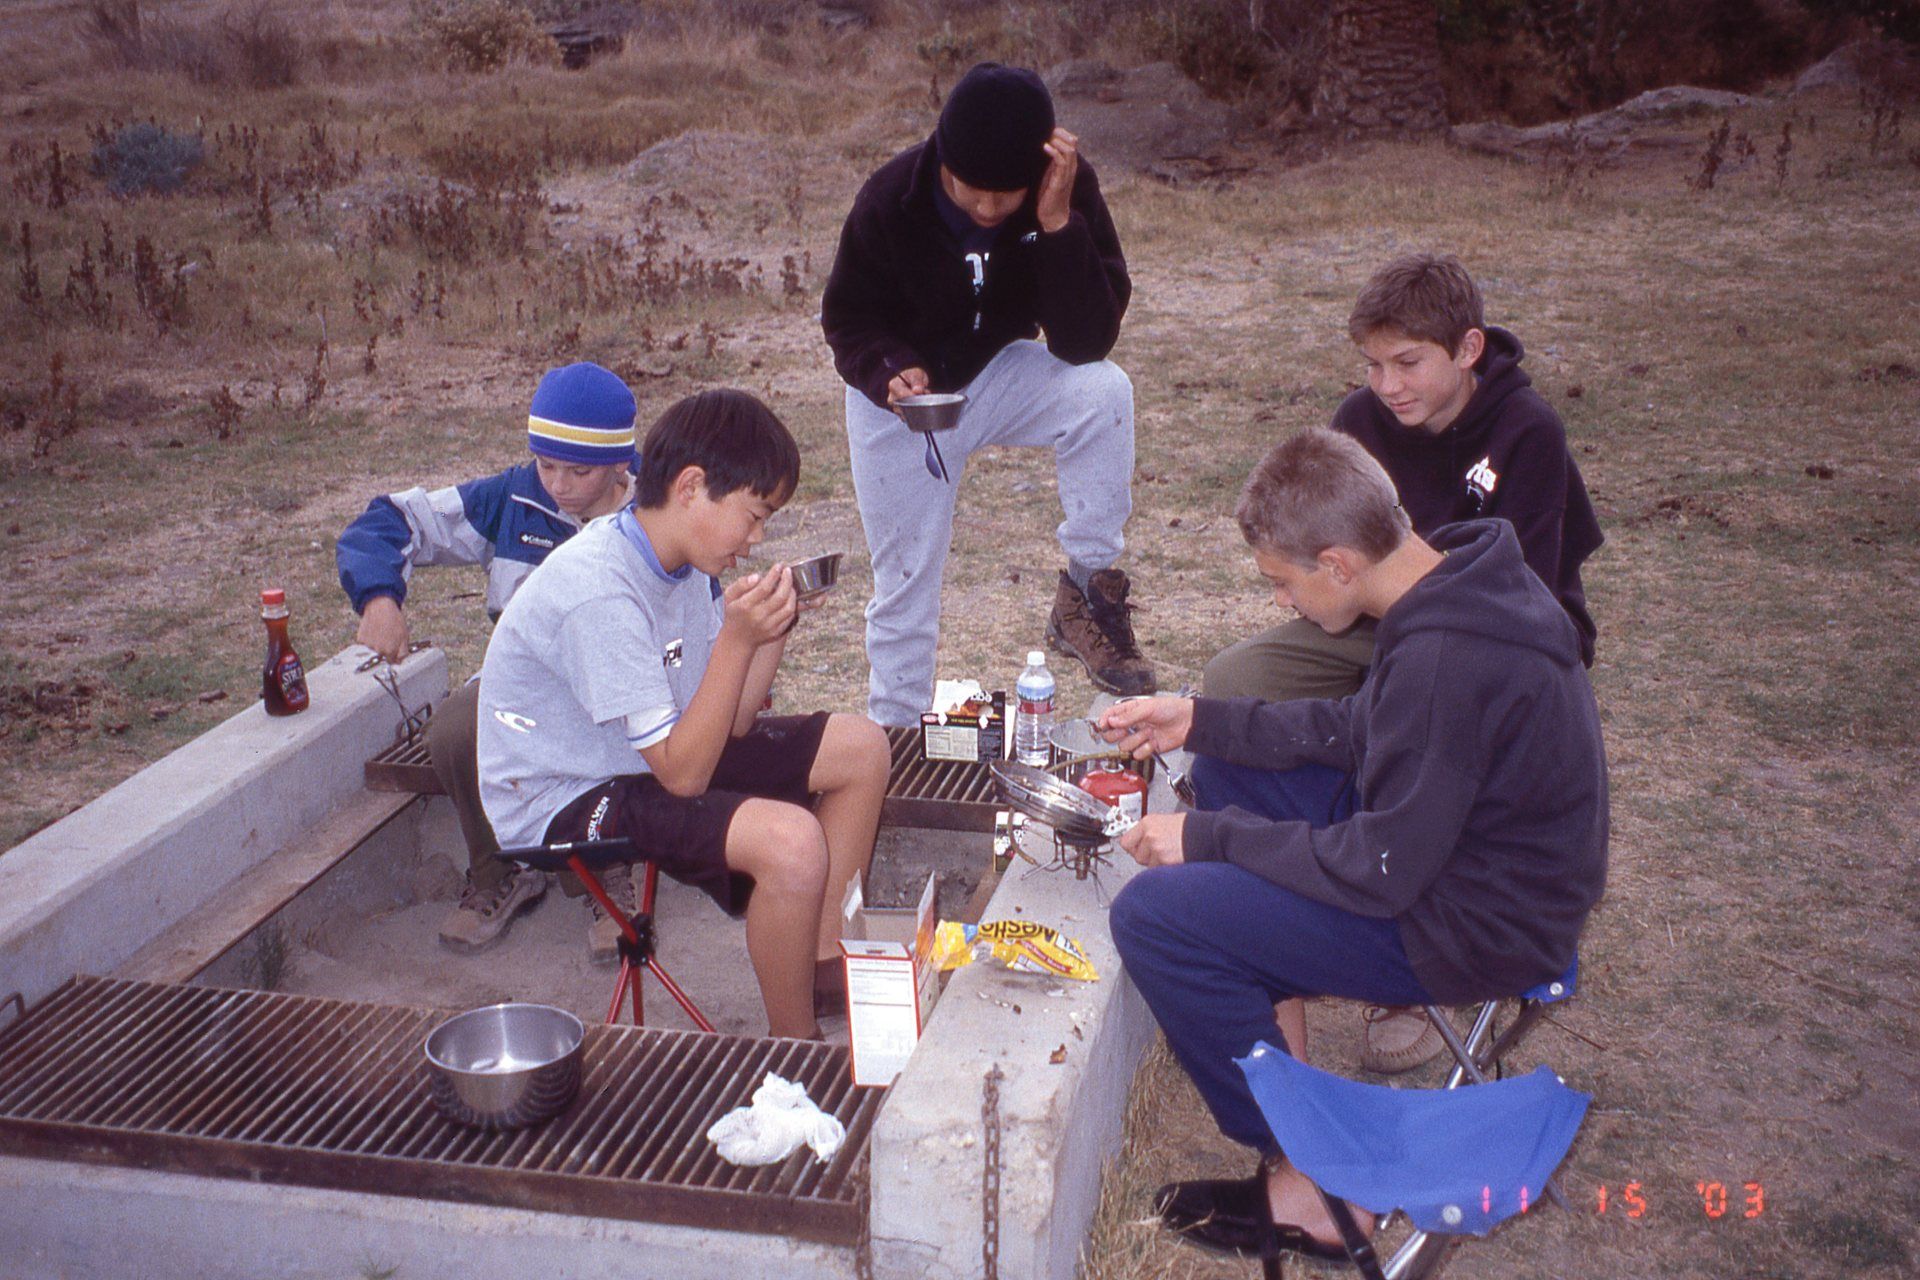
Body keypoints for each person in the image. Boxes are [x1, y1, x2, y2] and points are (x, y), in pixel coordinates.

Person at [1100, 427, 1607, 1265]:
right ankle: (1282, 1053)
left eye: (1282, 581)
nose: (1282, 603)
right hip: (1453, 864)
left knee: (1156, 917)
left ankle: (1315, 1184)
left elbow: (1380, 870)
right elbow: (1363, 728)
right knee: (1230, 766)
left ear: (1337, 564)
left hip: (1472, 925)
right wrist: (1201, 720)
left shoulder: (1446, 656)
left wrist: (1209, 838)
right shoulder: (1456, 577)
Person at [1204, 252, 1604, 1073]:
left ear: (1468, 349)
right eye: (1374, 364)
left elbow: (1528, 587)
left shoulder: (1527, 431)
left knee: (1410, 724)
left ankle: (1397, 965)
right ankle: (1309, 901)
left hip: (1477, 634)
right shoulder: (1362, 417)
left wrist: (1412, 665)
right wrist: (1201, 719)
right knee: (1232, 687)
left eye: (1408, 362)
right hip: (1377, 616)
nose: (1388, 385)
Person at [476, 389, 890, 1037]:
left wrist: (768, 632)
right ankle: (796, 1045)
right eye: (754, 515)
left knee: (861, 748)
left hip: (642, 754)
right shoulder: (599, 590)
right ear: (692, 487)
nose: (756, 540)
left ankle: (819, 967)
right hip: (561, 789)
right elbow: (685, 776)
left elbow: (731, 723)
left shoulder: (685, 566)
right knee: (791, 844)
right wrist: (735, 640)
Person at [821, 61, 1151, 726]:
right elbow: (848, 319)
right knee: (906, 584)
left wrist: (1057, 224)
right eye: (974, 192)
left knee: (1103, 391)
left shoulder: (1064, 189)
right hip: (904, 402)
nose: (990, 210)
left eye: (1008, 196)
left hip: (995, 371)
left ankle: (1086, 593)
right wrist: (889, 368)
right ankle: (894, 738)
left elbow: (1087, 341)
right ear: (944, 158)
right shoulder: (890, 198)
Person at [336, 361, 637, 953]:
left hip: (618, 684)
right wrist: (378, 596)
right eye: (546, 464)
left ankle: (611, 874)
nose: (558, 485)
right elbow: (390, 520)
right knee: (454, 730)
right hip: (523, 682)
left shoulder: (655, 510)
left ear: (619, 464)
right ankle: (501, 868)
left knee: (611, 731)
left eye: (579, 471)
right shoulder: (512, 498)